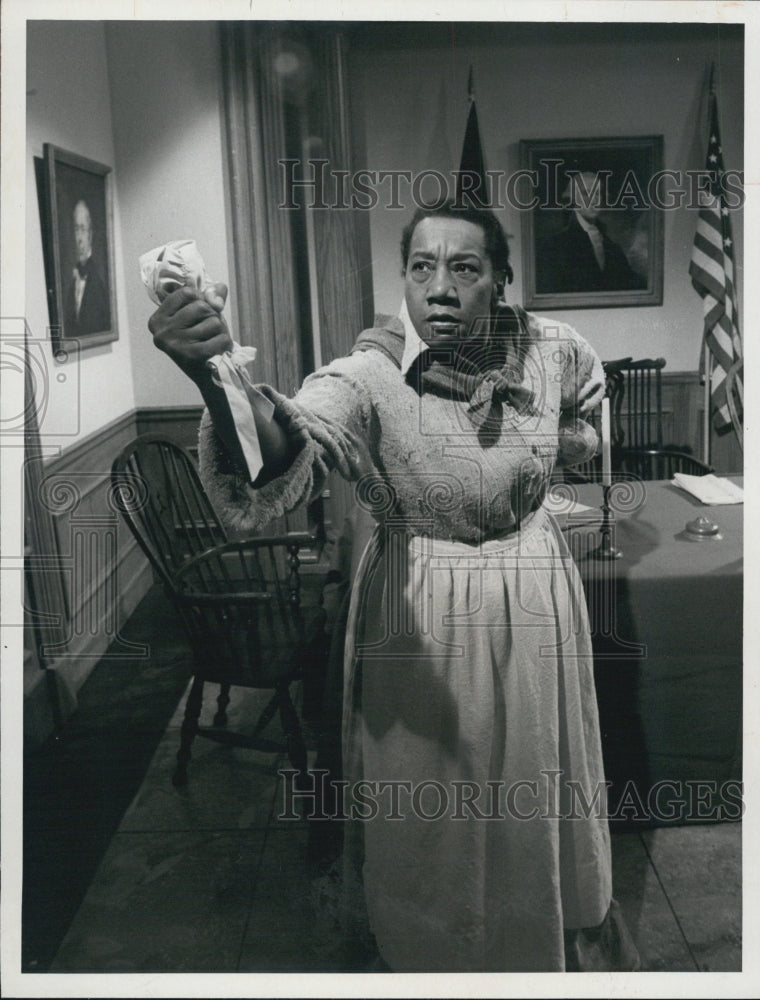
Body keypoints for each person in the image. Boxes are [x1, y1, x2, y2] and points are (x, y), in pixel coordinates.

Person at [148, 201, 640, 973]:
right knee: (433, 796)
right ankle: (439, 950)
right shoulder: (369, 373)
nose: (438, 288)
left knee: (534, 771)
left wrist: (562, 446)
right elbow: (290, 443)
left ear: (501, 280)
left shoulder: (552, 347)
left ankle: (541, 930)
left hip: (536, 591)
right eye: (420, 267)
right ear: (402, 279)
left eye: (463, 268)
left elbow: (584, 413)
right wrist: (218, 381)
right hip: (425, 609)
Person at [536, 171, 644, 294]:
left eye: (597, 193)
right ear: (573, 199)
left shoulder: (613, 248)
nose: (594, 200)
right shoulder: (555, 245)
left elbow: (630, 283)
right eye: (586, 193)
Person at [63, 199, 110, 336]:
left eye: (83, 229)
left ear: (90, 234)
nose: (79, 239)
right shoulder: (73, 281)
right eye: (76, 229)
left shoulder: (99, 284)